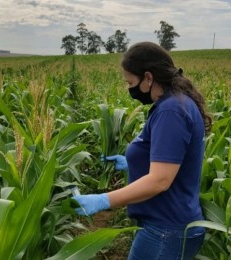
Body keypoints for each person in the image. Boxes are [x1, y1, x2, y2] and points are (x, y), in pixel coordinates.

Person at [73, 41, 212, 259]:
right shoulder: (174, 104)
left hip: (166, 230)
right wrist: (132, 162)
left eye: (130, 82)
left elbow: (160, 180)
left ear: (148, 78)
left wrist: (103, 200)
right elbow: (173, 161)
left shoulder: (171, 111)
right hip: (164, 227)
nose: (128, 88)